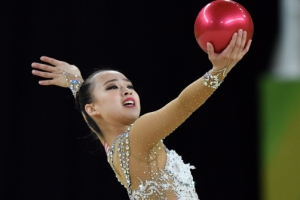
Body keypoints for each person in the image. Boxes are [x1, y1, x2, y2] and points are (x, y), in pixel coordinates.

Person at [31, 29, 251, 200]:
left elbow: (93, 117)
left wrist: (75, 82)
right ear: (92, 107)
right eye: (112, 87)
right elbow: (184, 105)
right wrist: (220, 70)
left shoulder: (113, 148)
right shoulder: (139, 135)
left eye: (129, 85)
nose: (126, 90)